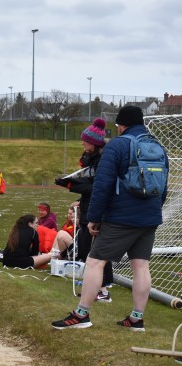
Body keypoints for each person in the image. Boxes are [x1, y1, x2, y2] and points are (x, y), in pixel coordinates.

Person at [52, 106, 168, 330]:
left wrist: (94, 217)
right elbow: (162, 187)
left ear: (121, 125)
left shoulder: (116, 145)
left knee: (95, 262)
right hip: (150, 217)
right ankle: (136, 318)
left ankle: (81, 314)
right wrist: (153, 211)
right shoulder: (157, 146)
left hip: (121, 218)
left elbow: (102, 185)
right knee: (141, 266)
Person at [53, 117, 114, 302]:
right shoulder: (89, 158)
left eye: (85, 141)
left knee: (95, 250)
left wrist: (70, 185)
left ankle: (103, 289)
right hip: (88, 207)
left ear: (94, 143)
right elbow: (86, 182)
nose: (82, 143)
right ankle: (101, 286)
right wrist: (76, 194)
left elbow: (96, 187)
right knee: (90, 249)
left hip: (98, 211)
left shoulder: (102, 160)